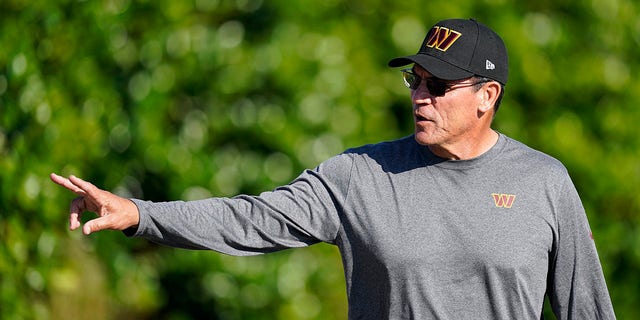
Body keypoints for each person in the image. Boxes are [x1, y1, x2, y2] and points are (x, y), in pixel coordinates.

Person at [51, 18, 616, 319]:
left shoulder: (544, 182)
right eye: (414, 80)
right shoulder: (359, 176)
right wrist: (139, 214)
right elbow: (252, 219)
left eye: (438, 85)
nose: (420, 95)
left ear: (487, 95)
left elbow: (586, 308)